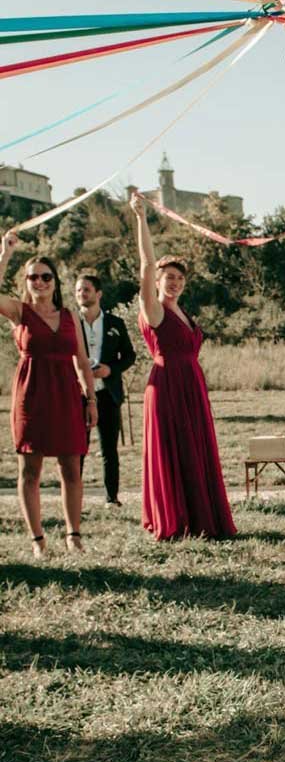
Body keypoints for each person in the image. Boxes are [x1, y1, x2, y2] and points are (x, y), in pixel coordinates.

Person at [131, 195, 236, 541]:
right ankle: (176, 517)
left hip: (192, 385)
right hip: (168, 386)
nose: (174, 282)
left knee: (195, 448)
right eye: (168, 277)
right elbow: (146, 264)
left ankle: (202, 515)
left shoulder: (182, 312)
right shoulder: (154, 310)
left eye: (179, 278)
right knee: (175, 448)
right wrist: (141, 218)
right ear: (158, 282)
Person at [0, 233, 97, 556]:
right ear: (26, 282)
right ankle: (38, 540)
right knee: (30, 470)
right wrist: (5, 253)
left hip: (67, 395)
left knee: (72, 468)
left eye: (46, 276)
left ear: (55, 281)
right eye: (33, 277)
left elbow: (82, 361)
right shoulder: (19, 312)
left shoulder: (70, 316)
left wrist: (91, 398)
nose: (39, 281)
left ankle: (74, 535)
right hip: (32, 395)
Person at [75, 270, 136, 507]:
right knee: (78, 448)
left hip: (108, 394)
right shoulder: (70, 324)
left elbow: (129, 356)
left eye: (86, 289)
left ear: (98, 294)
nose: (82, 294)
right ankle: (74, 497)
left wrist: (111, 369)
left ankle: (112, 498)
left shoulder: (115, 324)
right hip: (79, 395)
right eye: (78, 290)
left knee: (109, 449)